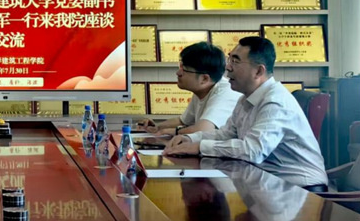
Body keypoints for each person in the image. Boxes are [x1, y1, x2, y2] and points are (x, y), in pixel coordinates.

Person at [164, 36, 328, 190]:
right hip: (268, 183)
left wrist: (199, 147)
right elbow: (226, 134)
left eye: (235, 61)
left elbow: (253, 151)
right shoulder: (246, 98)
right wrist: (190, 139)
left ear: (258, 71)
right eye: (229, 59)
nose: (227, 67)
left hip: (300, 190)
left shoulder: (275, 102)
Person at [139, 42, 241, 136]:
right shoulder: (202, 90)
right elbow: (182, 121)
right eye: (180, 67)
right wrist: (157, 127)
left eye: (184, 70)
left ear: (204, 79)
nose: (178, 73)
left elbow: (204, 129)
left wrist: (172, 131)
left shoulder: (225, 93)